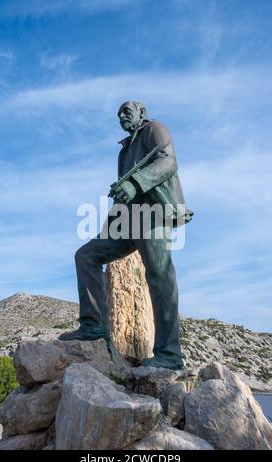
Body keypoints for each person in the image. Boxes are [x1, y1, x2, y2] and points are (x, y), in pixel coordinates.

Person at [59, 101, 193, 371]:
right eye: (119, 113)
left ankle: (169, 354)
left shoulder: (155, 129)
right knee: (86, 255)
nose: (122, 116)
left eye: (127, 111)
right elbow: (124, 192)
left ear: (141, 113)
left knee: (159, 273)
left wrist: (134, 183)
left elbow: (168, 160)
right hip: (127, 219)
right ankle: (94, 326)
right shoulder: (124, 150)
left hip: (153, 212)